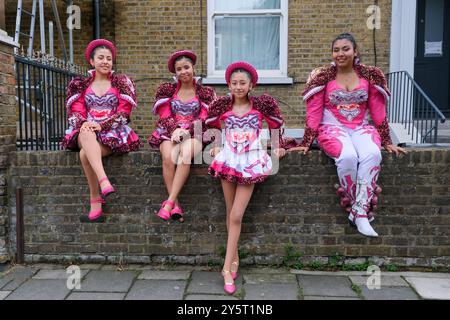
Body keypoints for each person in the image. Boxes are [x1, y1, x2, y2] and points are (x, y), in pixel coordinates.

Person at [291, 33, 406, 237]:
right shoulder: (323, 77)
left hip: (360, 127)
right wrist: (307, 141)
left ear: (355, 51)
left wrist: (386, 141)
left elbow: (378, 112)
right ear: (331, 53)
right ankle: (360, 212)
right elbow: (314, 112)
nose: (340, 54)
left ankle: (359, 213)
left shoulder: (370, 76)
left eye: (346, 49)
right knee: (348, 156)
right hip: (331, 127)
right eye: (336, 50)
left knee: (373, 153)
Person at [206, 61, 289, 295]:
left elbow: (277, 125)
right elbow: (212, 126)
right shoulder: (222, 106)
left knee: (236, 214)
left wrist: (278, 146)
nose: (238, 86)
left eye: (243, 83)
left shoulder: (260, 106)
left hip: (251, 160)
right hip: (229, 159)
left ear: (251, 85)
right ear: (229, 85)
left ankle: (225, 268)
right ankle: (234, 259)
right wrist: (216, 144)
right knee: (230, 212)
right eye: (234, 83)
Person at [61, 39, 142, 222]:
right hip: (87, 132)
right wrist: (84, 123)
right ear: (92, 61)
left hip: (111, 133)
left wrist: (103, 124)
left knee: (84, 155)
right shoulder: (81, 85)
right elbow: (76, 111)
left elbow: (124, 113)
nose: (105, 61)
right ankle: (104, 180)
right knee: (86, 132)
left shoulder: (121, 83)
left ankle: (95, 199)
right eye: (101, 58)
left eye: (109, 58)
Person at [148, 50, 216, 223]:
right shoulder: (167, 91)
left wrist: (187, 131)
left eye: (186, 67)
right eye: (179, 69)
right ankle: (175, 205)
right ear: (175, 72)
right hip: (170, 132)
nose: (183, 71)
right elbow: (164, 115)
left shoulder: (205, 92)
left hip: (196, 132)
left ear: (193, 67)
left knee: (185, 154)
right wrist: (175, 130)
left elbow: (204, 117)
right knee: (168, 157)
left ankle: (168, 202)